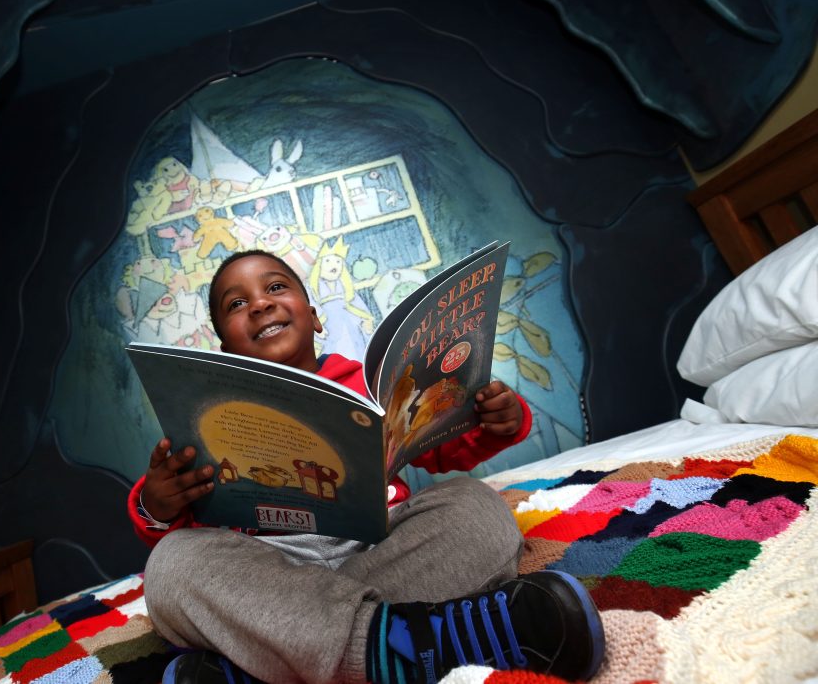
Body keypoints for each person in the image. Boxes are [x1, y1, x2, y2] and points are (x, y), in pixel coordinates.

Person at [127, 250, 604, 684]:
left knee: (475, 505)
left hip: (382, 549)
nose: (259, 304)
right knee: (171, 567)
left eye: (275, 288)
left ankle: (273, 664)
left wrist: (499, 420)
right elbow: (181, 514)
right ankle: (407, 643)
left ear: (314, 317)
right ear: (226, 348)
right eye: (236, 304)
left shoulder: (368, 382)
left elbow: (443, 446)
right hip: (273, 571)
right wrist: (157, 503)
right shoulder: (208, 407)